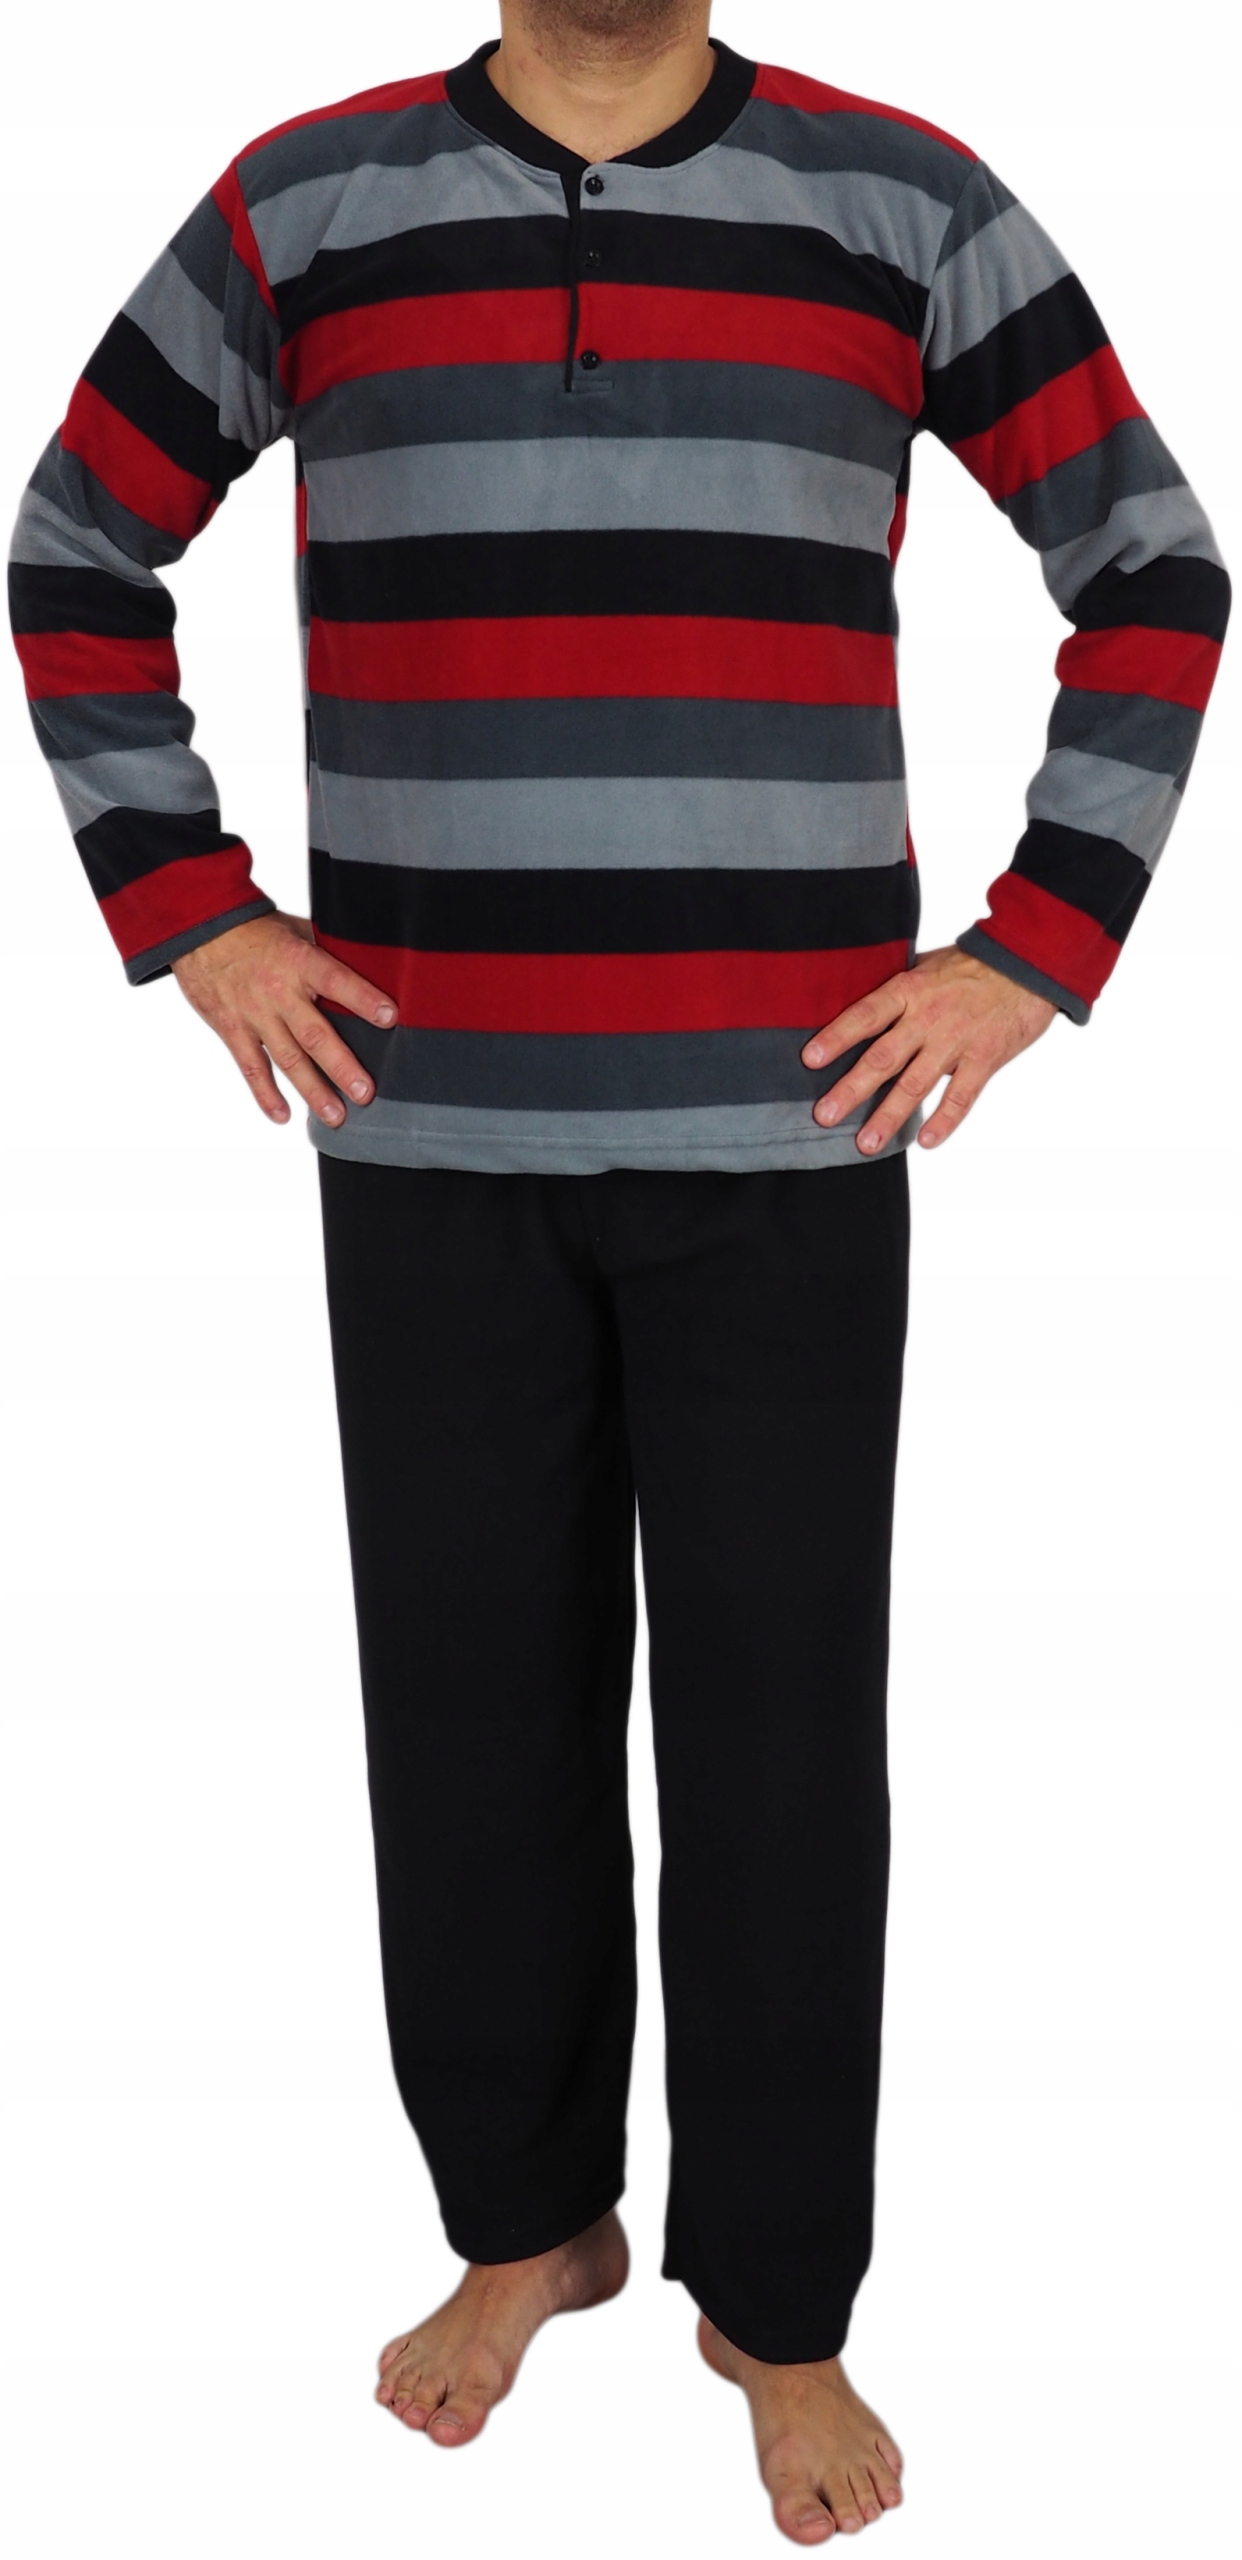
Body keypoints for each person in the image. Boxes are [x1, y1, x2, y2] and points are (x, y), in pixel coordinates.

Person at [9, 1, 1228, 2542]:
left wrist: (1036, 946)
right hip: (423, 1111)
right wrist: (194, 910)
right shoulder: (303, 205)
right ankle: (526, 2222)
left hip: (793, 1123)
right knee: (469, 1715)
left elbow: (1152, 563)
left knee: (782, 1748)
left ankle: (776, 2304)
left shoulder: (906, 201)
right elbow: (73, 546)